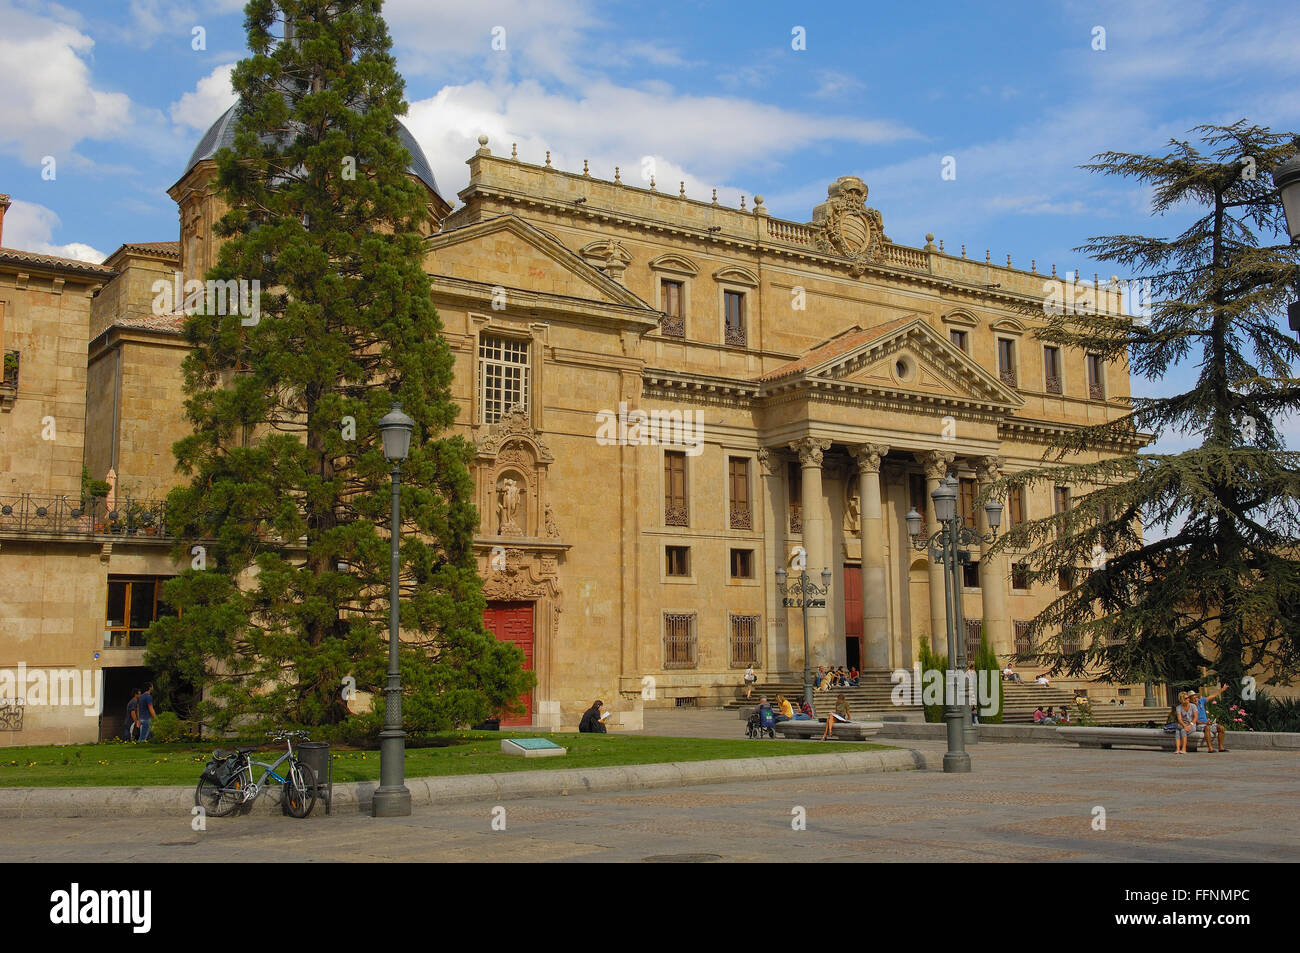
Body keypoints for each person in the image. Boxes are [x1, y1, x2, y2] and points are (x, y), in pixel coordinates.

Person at [1192, 685, 1229, 753]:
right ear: (1190, 699)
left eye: (1196, 697)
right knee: (1207, 728)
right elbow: (1195, 721)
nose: (1195, 699)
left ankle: (1221, 747)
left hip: (1206, 723)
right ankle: (1210, 748)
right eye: (1193, 698)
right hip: (1199, 725)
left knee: (1221, 728)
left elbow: (1212, 696)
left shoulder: (1201, 701)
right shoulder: (1191, 707)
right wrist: (1205, 723)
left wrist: (1222, 690)